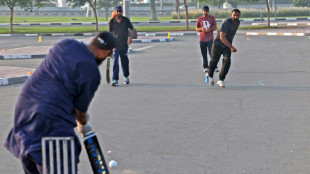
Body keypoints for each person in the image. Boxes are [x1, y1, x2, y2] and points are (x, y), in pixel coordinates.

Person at [4, 31, 116, 173]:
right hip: (52, 127)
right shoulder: (91, 72)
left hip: (24, 117)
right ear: (104, 52)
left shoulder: (66, 44)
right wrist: (84, 123)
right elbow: (80, 113)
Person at [206, 9, 241, 88]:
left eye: (237, 15)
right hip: (218, 44)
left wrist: (229, 45)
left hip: (227, 45)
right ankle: (210, 76)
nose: (235, 17)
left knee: (227, 61)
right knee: (214, 61)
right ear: (231, 15)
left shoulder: (238, 22)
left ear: (239, 16)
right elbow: (222, 37)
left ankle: (221, 79)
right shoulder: (226, 22)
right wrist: (231, 47)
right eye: (234, 15)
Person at [109, 5, 135, 86]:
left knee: (125, 62)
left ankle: (126, 77)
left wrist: (130, 38)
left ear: (122, 12)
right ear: (115, 12)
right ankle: (115, 79)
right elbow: (110, 33)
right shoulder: (112, 21)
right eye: (117, 11)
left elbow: (132, 29)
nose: (119, 13)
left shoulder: (126, 20)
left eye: (120, 11)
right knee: (115, 61)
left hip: (124, 45)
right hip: (115, 45)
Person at [196, 6, 218, 73]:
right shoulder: (200, 19)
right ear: (202, 11)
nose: (205, 12)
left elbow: (215, 27)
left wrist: (210, 29)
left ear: (208, 11)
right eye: (204, 11)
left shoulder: (212, 18)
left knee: (211, 53)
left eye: (207, 11)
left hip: (210, 39)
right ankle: (205, 67)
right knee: (204, 54)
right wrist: (201, 29)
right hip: (202, 39)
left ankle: (214, 66)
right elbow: (197, 28)